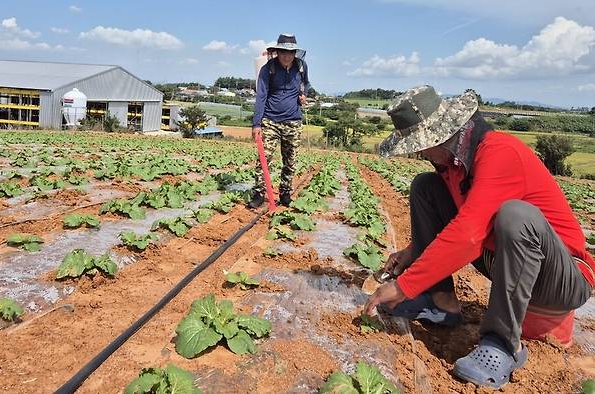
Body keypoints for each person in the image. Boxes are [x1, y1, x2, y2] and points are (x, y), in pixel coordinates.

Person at [363, 85, 594, 388]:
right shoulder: (455, 165)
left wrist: (404, 286)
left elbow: (470, 233)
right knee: (425, 187)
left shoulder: (500, 153)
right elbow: (464, 221)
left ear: (439, 135)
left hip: (563, 279)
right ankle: (441, 303)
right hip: (509, 263)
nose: (418, 152)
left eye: (419, 145)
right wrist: (413, 250)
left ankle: (503, 343)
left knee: (516, 216)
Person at [248, 33, 311, 208]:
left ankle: (285, 193)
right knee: (264, 159)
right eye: (283, 52)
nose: (286, 56)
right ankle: (259, 194)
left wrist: (304, 94)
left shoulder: (301, 67)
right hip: (270, 120)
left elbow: (307, 84)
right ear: (277, 52)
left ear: (295, 54)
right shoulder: (268, 69)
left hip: (293, 121)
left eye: (290, 53)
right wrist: (256, 123)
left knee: (290, 160)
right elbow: (261, 96)